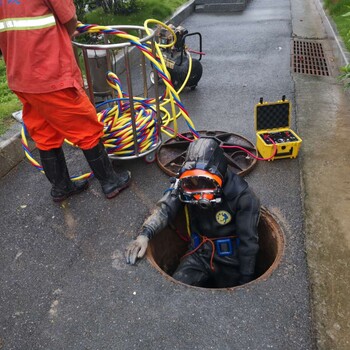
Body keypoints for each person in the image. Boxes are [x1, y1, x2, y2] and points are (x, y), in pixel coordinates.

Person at [0, 0, 130, 202]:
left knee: (44, 132)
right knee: (86, 127)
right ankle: (111, 182)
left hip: (21, 77)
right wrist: (66, 32)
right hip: (50, 75)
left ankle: (61, 187)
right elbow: (69, 19)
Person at [126, 137, 261, 288]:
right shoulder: (186, 183)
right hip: (198, 254)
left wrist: (246, 282)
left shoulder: (243, 196)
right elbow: (165, 209)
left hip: (230, 261)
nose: (199, 193)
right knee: (175, 290)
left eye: (206, 183)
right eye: (193, 184)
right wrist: (144, 235)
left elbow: (249, 242)